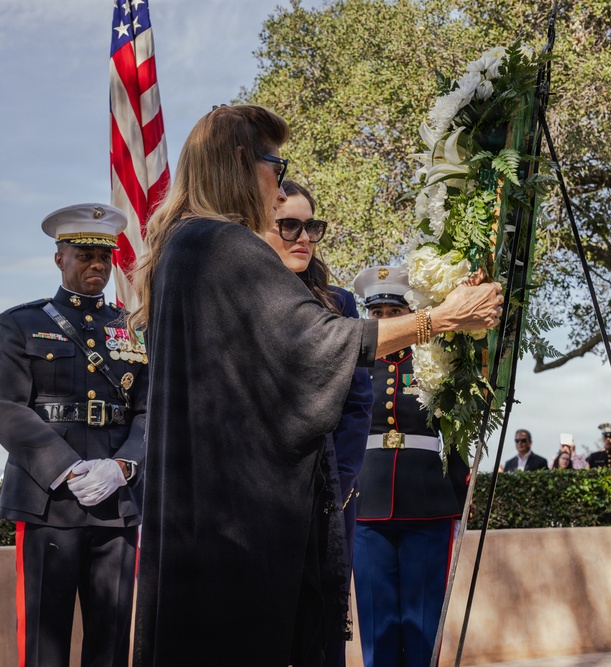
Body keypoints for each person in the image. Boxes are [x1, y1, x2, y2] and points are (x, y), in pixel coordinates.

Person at [129, 104, 503, 666]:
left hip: (200, 527)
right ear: (239, 162)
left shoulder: (182, 249)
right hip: (237, 531)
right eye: (274, 167)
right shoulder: (222, 246)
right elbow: (317, 345)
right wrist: (440, 319)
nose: (279, 190)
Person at [0, 203, 147, 667]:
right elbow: (6, 408)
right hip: (47, 499)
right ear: (60, 258)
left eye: (104, 255)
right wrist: (66, 466)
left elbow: (149, 408)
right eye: (84, 254)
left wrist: (123, 465)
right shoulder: (21, 323)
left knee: (112, 638)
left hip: (117, 500)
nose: (97, 264)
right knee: (44, 639)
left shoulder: (132, 329)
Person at [264, 179, 373, 666]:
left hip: (328, 488)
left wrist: (343, 480)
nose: (303, 236)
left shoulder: (340, 304)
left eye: (312, 226)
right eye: (289, 225)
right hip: (259, 489)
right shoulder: (239, 298)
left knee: (321, 625)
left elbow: (357, 401)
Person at [351, 265, 470, 667]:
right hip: (366, 499)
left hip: (427, 500)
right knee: (376, 618)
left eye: (393, 312)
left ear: (410, 314)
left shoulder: (435, 359)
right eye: (376, 313)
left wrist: (459, 490)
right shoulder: (354, 364)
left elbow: (455, 431)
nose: (383, 320)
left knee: (421, 620)